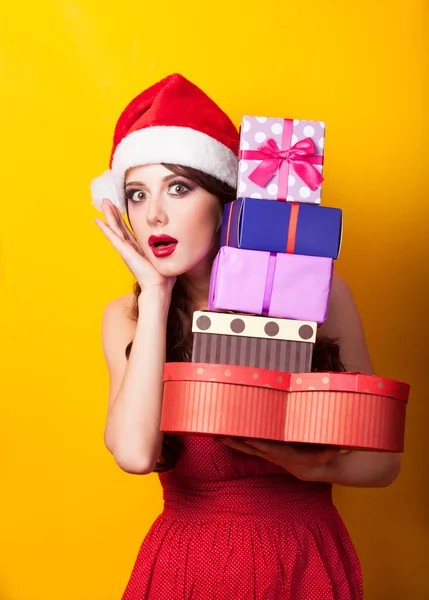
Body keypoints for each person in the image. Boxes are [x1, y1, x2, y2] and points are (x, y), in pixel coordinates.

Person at [92, 73, 401, 600]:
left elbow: (383, 464)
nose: (155, 214)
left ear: (223, 199)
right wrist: (155, 294)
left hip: (303, 559)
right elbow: (135, 455)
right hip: (189, 566)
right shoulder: (127, 316)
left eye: (179, 187)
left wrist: (305, 464)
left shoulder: (320, 292)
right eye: (137, 195)